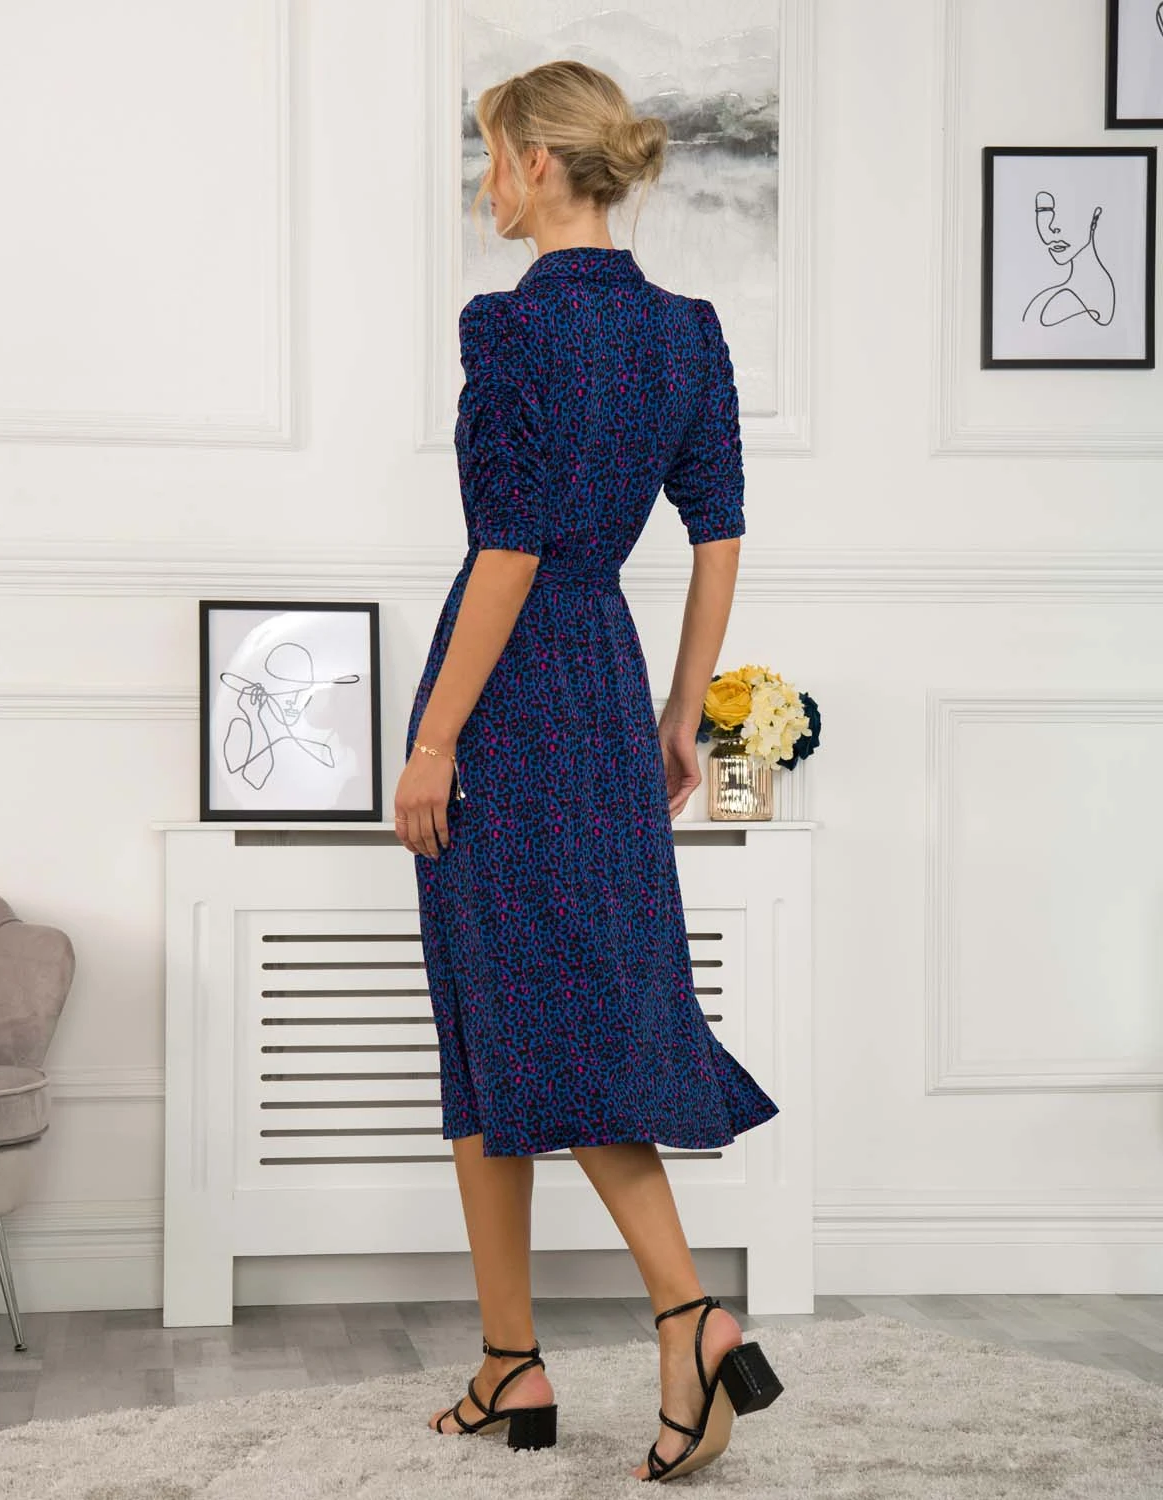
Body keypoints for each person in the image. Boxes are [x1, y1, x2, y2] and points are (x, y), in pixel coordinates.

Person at [393, 60, 783, 1484]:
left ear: (542, 165)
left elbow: (507, 550)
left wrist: (436, 737)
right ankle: (512, 1359)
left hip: (507, 688)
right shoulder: (687, 331)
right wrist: (684, 712)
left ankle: (687, 1313)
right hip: (608, 682)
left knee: (536, 1007)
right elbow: (719, 530)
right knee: (525, 1004)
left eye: (492, 157)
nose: (486, 185)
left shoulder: (508, 327)